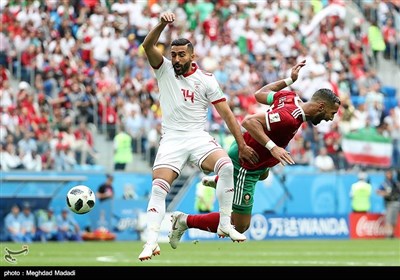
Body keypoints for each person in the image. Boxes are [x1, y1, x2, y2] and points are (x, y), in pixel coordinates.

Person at [168, 59, 341, 249]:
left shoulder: (291, 97)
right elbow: (249, 121)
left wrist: (288, 80)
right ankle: (184, 220)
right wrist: (272, 148)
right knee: (239, 224)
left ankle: (221, 181)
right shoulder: (290, 118)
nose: (330, 119)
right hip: (247, 163)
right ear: (321, 107)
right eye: (331, 113)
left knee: (265, 172)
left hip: (254, 159)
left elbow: (259, 94)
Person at [138, 12, 258, 261]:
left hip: (196, 136)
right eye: (173, 54)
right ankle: (150, 242)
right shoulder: (164, 70)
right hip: (171, 139)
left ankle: (225, 224)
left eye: (182, 54)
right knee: (159, 189)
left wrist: (242, 144)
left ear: (193, 56)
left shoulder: (206, 81)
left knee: (225, 165)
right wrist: (161, 24)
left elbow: (227, 114)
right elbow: (147, 45)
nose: (177, 59)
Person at [376, 169, 400, 238]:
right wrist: (386, 193)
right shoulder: (385, 184)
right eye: (388, 174)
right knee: (388, 220)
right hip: (389, 203)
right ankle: (388, 234)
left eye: (390, 174)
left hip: (396, 203)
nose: (389, 175)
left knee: (394, 221)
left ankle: (392, 234)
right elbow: (378, 191)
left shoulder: (395, 183)